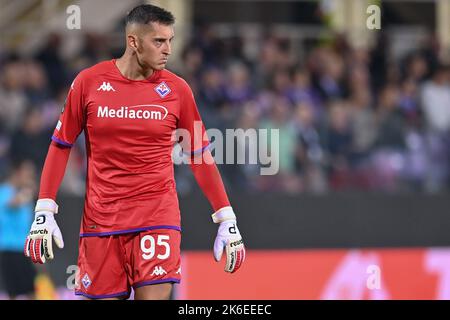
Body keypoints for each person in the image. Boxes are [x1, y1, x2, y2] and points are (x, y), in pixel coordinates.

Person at [24, 4, 245, 300]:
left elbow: (199, 154)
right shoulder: (89, 83)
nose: (167, 49)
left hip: (157, 216)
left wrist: (226, 218)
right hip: (101, 221)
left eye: (170, 40)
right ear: (133, 42)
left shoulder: (178, 90)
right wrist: (44, 209)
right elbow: (60, 144)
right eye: (159, 41)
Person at [0, 160, 37, 299]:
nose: (30, 177)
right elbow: (12, 204)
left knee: (32, 290)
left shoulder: (25, 196)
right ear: (17, 173)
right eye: (28, 173)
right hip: (10, 250)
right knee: (13, 293)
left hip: (26, 250)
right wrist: (27, 192)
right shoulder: (5, 191)